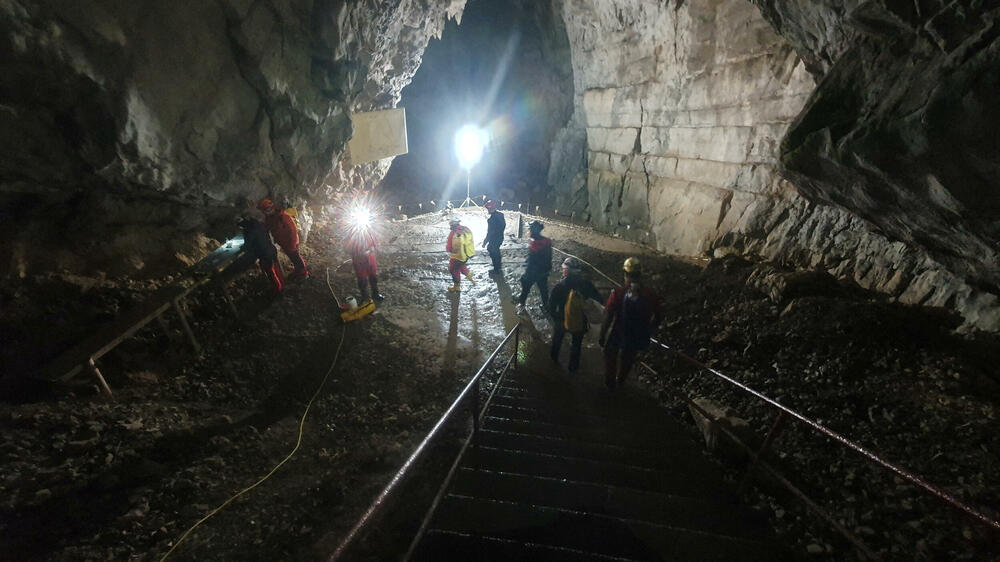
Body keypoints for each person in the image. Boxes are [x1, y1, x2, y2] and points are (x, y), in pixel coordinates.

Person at [599, 257, 663, 390]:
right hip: (637, 333)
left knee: (610, 353)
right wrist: (648, 330)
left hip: (619, 330)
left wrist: (602, 334)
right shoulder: (651, 295)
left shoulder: (618, 293)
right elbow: (658, 317)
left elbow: (608, 316)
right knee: (628, 357)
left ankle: (609, 383)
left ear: (625, 274)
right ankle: (620, 380)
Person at [548, 257, 603, 372]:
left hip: (562, 320)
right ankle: (573, 368)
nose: (562, 270)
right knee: (576, 345)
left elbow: (551, 307)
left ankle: (553, 361)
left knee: (557, 340)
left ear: (567, 271)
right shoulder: (586, 285)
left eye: (563, 268)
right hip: (580, 320)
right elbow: (599, 300)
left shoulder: (559, 287)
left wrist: (556, 318)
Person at [259, 198, 309, 278]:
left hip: (291, 242)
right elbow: (268, 226)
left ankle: (303, 273)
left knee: (296, 257)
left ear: (271, 208)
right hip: (284, 243)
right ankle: (298, 270)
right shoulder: (270, 218)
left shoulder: (283, 217)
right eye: (264, 211)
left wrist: (292, 244)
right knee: (293, 257)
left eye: (267, 209)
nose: (266, 212)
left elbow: (293, 230)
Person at [238, 208, 284, 294]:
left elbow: (248, 244)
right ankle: (283, 282)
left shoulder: (248, 231)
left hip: (264, 254)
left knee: (270, 272)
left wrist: (242, 248)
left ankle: (278, 289)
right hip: (271, 249)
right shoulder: (258, 223)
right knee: (276, 266)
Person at [515, 220, 551, 313]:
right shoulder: (547, 241)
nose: (529, 232)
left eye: (530, 230)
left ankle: (522, 304)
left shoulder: (534, 245)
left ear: (533, 232)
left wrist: (526, 275)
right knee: (543, 289)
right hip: (544, 271)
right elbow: (548, 258)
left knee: (525, 288)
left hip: (534, 273)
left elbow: (532, 262)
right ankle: (546, 305)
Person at [346, 227, 383, 303]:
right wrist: (357, 252)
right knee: (362, 279)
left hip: (370, 257)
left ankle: (375, 294)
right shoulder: (351, 233)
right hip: (358, 259)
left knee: (373, 276)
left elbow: (375, 242)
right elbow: (347, 247)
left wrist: (372, 249)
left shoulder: (369, 231)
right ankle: (365, 298)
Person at [446, 215, 476, 292]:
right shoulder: (465, 229)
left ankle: (456, 287)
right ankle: (471, 278)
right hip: (465, 254)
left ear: (453, 224)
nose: (450, 226)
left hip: (457, 256)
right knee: (461, 267)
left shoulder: (455, 232)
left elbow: (453, 245)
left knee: (453, 270)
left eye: (451, 224)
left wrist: (449, 249)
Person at [481, 200, 505, 275]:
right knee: (496, 251)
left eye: (488, 209)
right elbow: (503, 226)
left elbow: (490, 232)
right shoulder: (501, 215)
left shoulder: (491, 219)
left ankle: (497, 269)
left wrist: (485, 241)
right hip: (500, 237)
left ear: (491, 208)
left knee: (492, 251)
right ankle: (498, 266)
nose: (488, 210)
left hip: (494, 239)